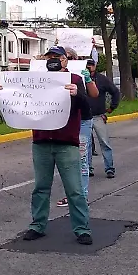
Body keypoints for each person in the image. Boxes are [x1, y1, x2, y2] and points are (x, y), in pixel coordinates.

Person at [0, 46, 94, 245]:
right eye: (49, 57)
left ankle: (82, 228)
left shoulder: (74, 80)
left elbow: (87, 111)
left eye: (57, 57)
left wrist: (78, 95)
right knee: (41, 187)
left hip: (67, 143)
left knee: (74, 189)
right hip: (41, 142)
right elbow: (17, 103)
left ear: (66, 60)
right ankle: (37, 225)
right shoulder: (34, 81)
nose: (53, 60)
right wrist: (0, 94)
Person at [58, 48, 99, 208]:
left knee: (81, 159)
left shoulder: (80, 73)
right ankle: (71, 195)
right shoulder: (51, 75)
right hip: (64, 121)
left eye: (65, 57)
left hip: (82, 121)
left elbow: (94, 94)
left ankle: (82, 196)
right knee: (66, 160)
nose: (60, 60)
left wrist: (87, 79)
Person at [86, 59, 121, 179]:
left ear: (95, 66)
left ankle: (109, 168)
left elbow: (115, 92)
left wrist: (112, 108)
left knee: (105, 143)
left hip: (98, 116)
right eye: (87, 65)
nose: (89, 67)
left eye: (91, 65)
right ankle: (88, 168)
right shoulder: (80, 78)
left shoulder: (102, 79)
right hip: (83, 117)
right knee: (86, 145)